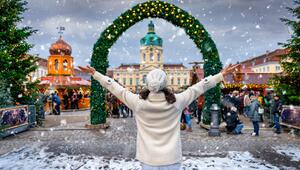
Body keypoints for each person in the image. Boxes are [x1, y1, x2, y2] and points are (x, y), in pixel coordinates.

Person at [78, 65, 230, 169]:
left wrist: (95, 74)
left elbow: (116, 88)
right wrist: (220, 75)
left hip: (148, 159)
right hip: (171, 159)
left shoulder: (138, 102)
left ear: (147, 83)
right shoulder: (177, 102)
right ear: (165, 83)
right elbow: (199, 87)